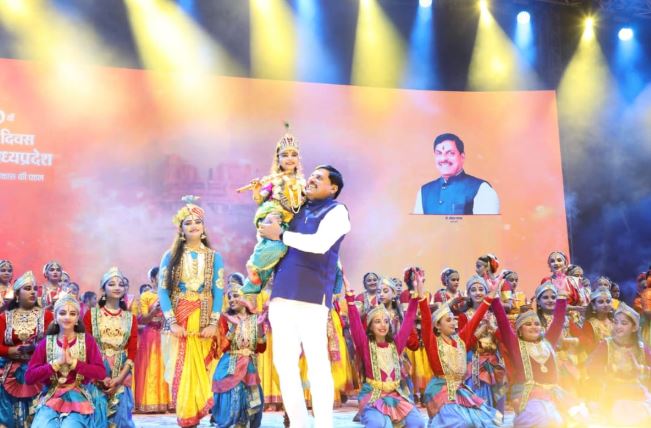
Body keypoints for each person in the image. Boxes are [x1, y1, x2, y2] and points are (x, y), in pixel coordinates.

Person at [258, 164, 350, 428]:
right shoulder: (296, 209)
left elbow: (320, 244)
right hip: (281, 296)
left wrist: (282, 234)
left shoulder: (337, 211)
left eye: (319, 178)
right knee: (284, 365)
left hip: (312, 298)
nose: (311, 179)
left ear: (333, 188)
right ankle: (299, 423)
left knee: (317, 364)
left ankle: (323, 425)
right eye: (311, 176)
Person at [158, 195, 224, 427]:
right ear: (181, 229)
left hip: (204, 321)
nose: (193, 225)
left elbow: (218, 291)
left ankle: (196, 414)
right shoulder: (170, 256)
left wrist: (213, 323)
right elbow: (163, 291)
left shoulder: (214, 257)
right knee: (183, 368)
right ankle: (186, 418)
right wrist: (173, 323)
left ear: (203, 228)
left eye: (197, 222)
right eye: (188, 223)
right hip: (180, 321)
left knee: (202, 370)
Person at [345, 271, 424, 428]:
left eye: (386, 321)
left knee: (418, 423)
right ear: (370, 326)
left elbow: (409, 320)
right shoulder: (365, 345)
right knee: (379, 424)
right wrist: (349, 296)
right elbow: (354, 323)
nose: (383, 325)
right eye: (377, 321)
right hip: (373, 395)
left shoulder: (396, 345)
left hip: (394, 395)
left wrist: (416, 294)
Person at [420, 276, 502, 427]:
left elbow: (476, 318)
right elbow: (425, 319)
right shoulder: (433, 342)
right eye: (448, 320)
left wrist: (491, 294)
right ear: (437, 325)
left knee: (484, 420)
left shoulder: (460, 340)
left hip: (460, 389)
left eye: (454, 319)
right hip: (440, 390)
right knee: (460, 422)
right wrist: (420, 292)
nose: (453, 322)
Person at [240, 124, 306, 294]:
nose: (289, 158)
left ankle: (253, 285)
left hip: (288, 223)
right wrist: (256, 189)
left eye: (293, 154)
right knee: (276, 243)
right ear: (278, 159)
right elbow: (259, 199)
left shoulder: (303, 183)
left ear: (298, 158)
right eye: (285, 155)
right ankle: (253, 265)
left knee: (280, 250)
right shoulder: (273, 180)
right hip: (271, 215)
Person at [26, 294, 108, 427]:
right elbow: (29, 377)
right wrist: (56, 364)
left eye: (72, 313)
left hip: (78, 396)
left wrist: (74, 363)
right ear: (55, 317)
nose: (67, 317)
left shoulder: (87, 340)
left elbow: (100, 373)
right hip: (51, 396)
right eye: (62, 313)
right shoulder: (46, 342)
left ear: (77, 318)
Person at [83, 267, 137, 428]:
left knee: (121, 419)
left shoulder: (130, 318)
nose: (117, 287)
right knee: (96, 417)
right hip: (96, 375)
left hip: (121, 373)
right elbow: (85, 347)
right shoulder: (91, 315)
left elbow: (132, 351)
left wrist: (119, 379)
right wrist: (99, 377)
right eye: (112, 284)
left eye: (121, 284)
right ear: (103, 289)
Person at [0, 271, 54, 427]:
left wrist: (36, 348)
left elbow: (54, 343)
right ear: (17, 294)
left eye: (35, 289)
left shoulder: (47, 316)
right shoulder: (4, 317)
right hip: (9, 373)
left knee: (37, 416)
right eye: (28, 288)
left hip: (38, 372)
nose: (33, 292)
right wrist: (11, 351)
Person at [584, 303, 651, 426]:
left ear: (634, 328)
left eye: (624, 323)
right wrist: (612, 369)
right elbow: (590, 368)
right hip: (612, 394)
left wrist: (641, 369)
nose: (618, 326)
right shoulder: (606, 345)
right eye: (616, 322)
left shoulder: (641, 348)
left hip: (638, 395)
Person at [212, 280, 267, 428]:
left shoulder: (255, 319)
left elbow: (261, 348)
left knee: (253, 402)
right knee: (233, 397)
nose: (231, 299)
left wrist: (259, 327)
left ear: (245, 297)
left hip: (249, 365)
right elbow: (221, 347)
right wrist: (233, 327)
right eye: (229, 297)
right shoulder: (225, 318)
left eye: (235, 295)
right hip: (230, 365)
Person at [413, 133, 499, 215]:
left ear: (462, 157)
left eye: (450, 153)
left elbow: (487, 225)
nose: (443, 159)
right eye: (439, 153)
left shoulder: (482, 189)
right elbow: (418, 225)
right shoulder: (424, 192)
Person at [135, 272, 171, 413]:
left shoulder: (170, 294)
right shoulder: (146, 296)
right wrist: (154, 311)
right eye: (161, 276)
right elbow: (143, 320)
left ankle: (169, 402)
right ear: (152, 279)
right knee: (152, 366)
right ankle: (151, 401)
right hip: (151, 335)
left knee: (167, 365)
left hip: (168, 334)